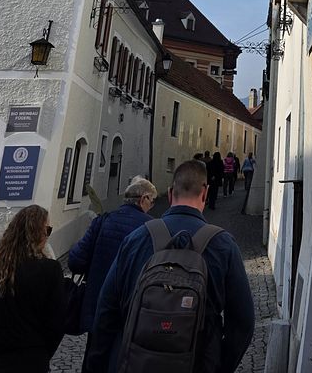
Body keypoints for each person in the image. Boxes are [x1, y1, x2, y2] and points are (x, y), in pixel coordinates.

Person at [86, 159, 254, 373]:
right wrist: (219, 365)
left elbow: (106, 311)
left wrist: (99, 364)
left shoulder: (136, 239)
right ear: (205, 193)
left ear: (170, 192)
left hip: (135, 363)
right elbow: (243, 322)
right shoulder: (224, 246)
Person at [67, 176, 157, 362]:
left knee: (93, 360)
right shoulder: (151, 229)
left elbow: (75, 261)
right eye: (152, 201)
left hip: (97, 310)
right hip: (130, 313)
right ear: (143, 199)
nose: (152, 206)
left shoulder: (103, 221)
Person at [0, 204, 66, 372]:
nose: (48, 235)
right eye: (47, 230)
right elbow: (56, 324)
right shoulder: (50, 271)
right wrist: (42, 354)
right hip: (29, 361)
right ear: (38, 233)